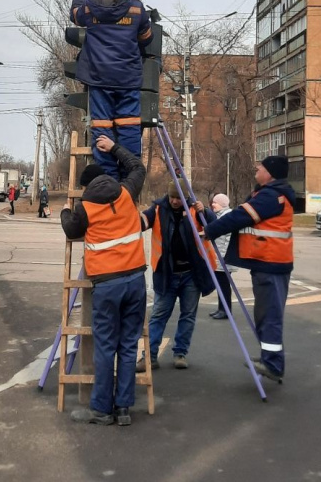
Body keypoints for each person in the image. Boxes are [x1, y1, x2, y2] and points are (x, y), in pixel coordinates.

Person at [61, 135, 147, 426]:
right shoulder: (126, 193)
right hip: (136, 279)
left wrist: (65, 209)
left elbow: (71, 230)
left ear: (86, 188)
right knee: (128, 345)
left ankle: (101, 409)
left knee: (106, 345)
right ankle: (123, 409)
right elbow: (138, 167)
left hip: (108, 285)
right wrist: (114, 148)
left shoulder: (85, 208)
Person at [204, 156, 294, 382]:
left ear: (270, 173)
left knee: (270, 315)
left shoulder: (272, 197)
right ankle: (270, 359)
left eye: (260, 168)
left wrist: (211, 230)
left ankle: (273, 364)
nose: (256, 169)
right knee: (265, 315)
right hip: (266, 262)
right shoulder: (268, 193)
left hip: (271, 263)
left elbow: (240, 216)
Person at [70, 0, 153, 180]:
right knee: (129, 126)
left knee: (102, 127)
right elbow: (146, 37)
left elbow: (75, 16)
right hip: (128, 78)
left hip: (99, 79)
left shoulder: (89, 7)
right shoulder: (136, 8)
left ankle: (109, 178)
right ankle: (131, 176)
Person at [136, 181, 216, 372]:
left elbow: (214, 226)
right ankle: (150, 357)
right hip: (166, 274)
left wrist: (205, 211)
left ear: (185, 197)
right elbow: (141, 223)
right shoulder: (157, 209)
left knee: (188, 315)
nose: (174, 201)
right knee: (158, 316)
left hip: (191, 273)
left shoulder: (195, 210)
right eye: (172, 197)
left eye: (178, 198)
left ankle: (180, 353)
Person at [208, 193, 235, 320]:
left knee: (223, 285)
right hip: (218, 256)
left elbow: (228, 240)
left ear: (223, 204)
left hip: (224, 257)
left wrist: (222, 258)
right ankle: (221, 308)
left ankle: (225, 310)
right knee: (220, 284)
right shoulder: (219, 216)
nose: (213, 205)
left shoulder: (227, 217)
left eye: (215, 203)